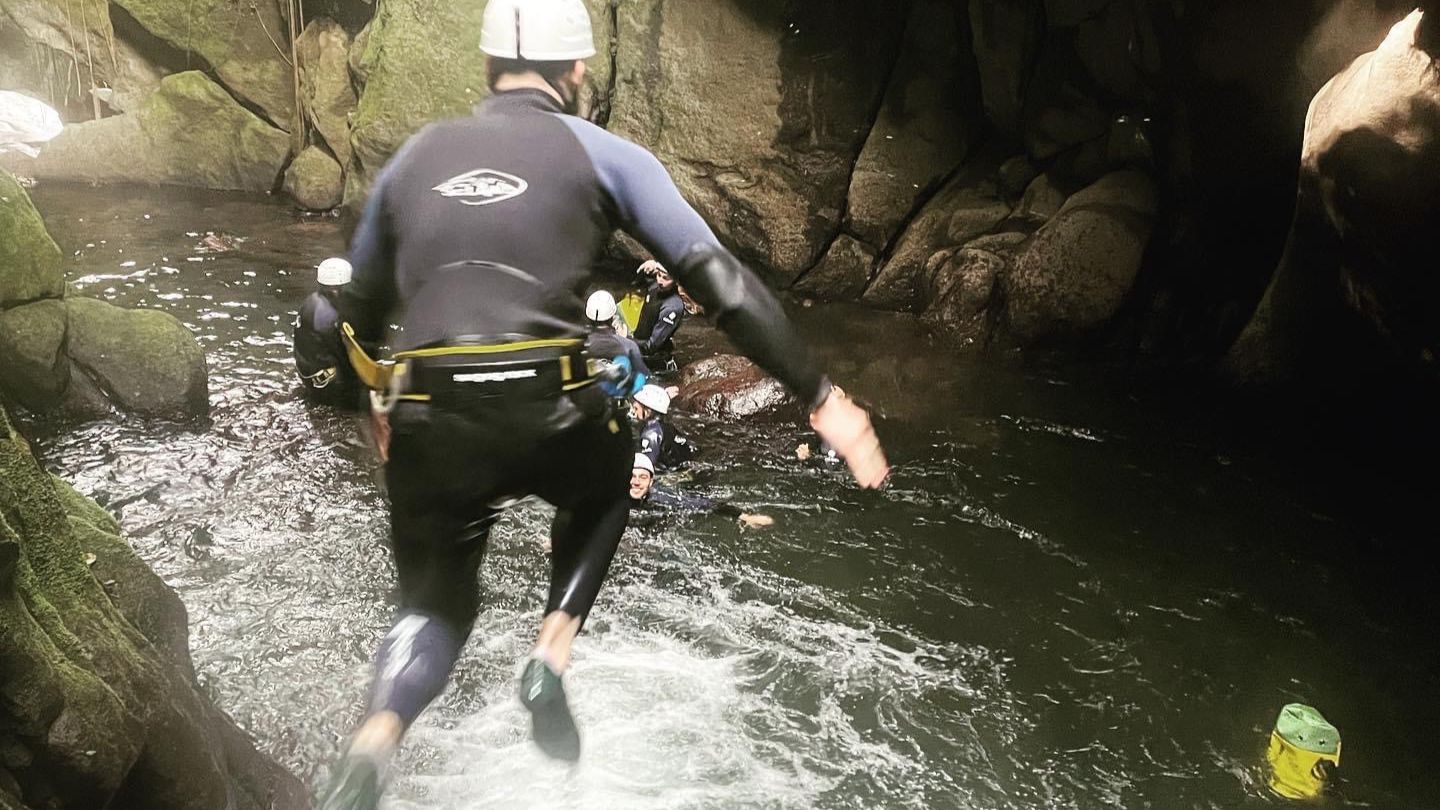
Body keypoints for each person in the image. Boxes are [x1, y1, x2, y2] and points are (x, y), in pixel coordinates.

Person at [317, 1, 887, 806]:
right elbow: (719, 280)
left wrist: (375, 401)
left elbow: (354, 309)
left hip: (429, 411)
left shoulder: (412, 160)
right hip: (552, 404)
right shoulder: (606, 152)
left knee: (434, 605)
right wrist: (821, 396)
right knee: (606, 482)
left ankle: (375, 738)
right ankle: (551, 652)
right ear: (577, 74)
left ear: (486, 69)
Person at [628, 454, 773, 528]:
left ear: (651, 482)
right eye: (632, 476)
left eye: (643, 477)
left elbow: (707, 504)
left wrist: (746, 517)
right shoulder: (611, 496)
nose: (636, 482)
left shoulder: (663, 498)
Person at [293, 257, 361, 407]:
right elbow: (345, 358)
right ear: (341, 288)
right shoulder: (332, 318)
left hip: (306, 373)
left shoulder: (311, 302)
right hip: (326, 386)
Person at [632, 259, 686, 373]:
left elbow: (651, 346)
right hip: (640, 343)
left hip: (655, 362)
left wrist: (625, 340)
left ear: (676, 281)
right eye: (658, 275)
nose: (660, 281)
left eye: (665, 278)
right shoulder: (656, 286)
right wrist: (647, 267)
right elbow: (635, 283)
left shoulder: (672, 307)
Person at [583, 289, 649, 380]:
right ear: (612, 317)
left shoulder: (582, 345)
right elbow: (643, 375)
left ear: (588, 317)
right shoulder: (628, 345)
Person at [631, 384, 696, 471]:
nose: (633, 412)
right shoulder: (666, 427)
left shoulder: (651, 432)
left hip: (672, 476)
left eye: (636, 409)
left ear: (648, 411)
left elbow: (645, 466)